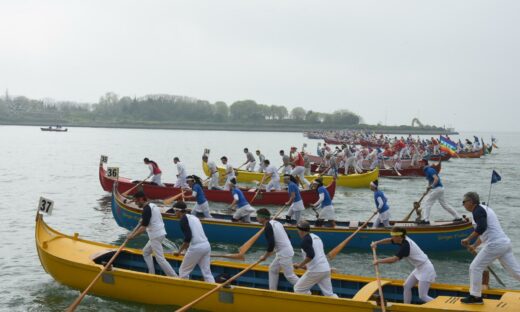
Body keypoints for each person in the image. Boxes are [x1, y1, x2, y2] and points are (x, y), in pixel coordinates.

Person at [460, 192, 520, 304]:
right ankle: (475, 296)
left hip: (495, 245)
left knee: (475, 267)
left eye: (464, 202)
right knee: (516, 273)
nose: (463, 204)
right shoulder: (483, 209)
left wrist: (468, 239)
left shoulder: (477, 211)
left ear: (471, 202)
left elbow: (482, 227)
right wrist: (474, 246)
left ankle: (475, 297)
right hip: (504, 243)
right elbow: (485, 235)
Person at [371, 226, 436, 304]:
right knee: (406, 286)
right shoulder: (402, 239)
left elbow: (393, 260)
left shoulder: (406, 246)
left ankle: (441, 306)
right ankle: (406, 306)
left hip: (426, 269)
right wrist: (376, 242)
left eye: (394, 236)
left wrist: (378, 261)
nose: (392, 238)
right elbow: (389, 240)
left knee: (423, 296)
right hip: (419, 268)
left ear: (399, 236)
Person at [127, 191, 177, 277]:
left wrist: (132, 236)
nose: (135, 203)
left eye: (136, 201)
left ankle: (174, 277)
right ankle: (151, 274)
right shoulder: (153, 206)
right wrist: (142, 220)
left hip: (156, 235)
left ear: (141, 199)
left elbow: (143, 228)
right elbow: (147, 220)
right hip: (160, 233)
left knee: (160, 259)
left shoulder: (146, 209)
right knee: (146, 252)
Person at [172, 201, 215, 283]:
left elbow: (188, 238)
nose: (174, 213)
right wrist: (185, 250)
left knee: (183, 271)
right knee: (207, 272)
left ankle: (184, 290)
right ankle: (213, 289)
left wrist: (179, 252)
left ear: (179, 211)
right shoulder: (194, 217)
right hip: (206, 246)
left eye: (175, 211)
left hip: (196, 247)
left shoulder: (183, 220)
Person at [257, 208, 300, 290]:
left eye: (258, 216)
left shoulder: (268, 227)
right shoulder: (277, 223)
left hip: (284, 253)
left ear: (263, 218)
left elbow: (271, 245)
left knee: (289, 275)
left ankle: (306, 290)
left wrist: (264, 257)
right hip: (284, 251)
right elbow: (289, 237)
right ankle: (272, 291)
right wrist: (277, 249)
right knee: (273, 269)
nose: (257, 218)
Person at [293, 220, 337, 297]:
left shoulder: (305, 241)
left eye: (298, 230)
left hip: (316, 271)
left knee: (298, 289)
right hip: (326, 269)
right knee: (329, 294)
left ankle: (308, 306)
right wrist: (303, 266)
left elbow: (311, 255)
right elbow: (317, 257)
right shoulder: (316, 237)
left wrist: (299, 265)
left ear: (300, 231)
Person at [418, 159, 462, 225]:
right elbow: (430, 181)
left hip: (437, 189)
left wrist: (431, 186)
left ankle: (426, 220)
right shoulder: (426, 170)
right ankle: (458, 217)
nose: (419, 164)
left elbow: (436, 179)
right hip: (439, 189)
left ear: (424, 163)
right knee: (445, 205)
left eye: (420, 162)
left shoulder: (429, 170)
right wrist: (427, 190)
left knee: (427, 203)